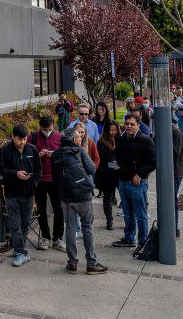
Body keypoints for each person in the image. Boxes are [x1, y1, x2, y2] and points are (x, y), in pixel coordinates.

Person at [54, 123, 108, 275]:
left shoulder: (56, 154)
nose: (80, 139)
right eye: (78, 137)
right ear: (75, 140)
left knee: (70, 229)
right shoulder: (79, 151)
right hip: (83, 196)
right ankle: (91, 263)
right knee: (87, 228)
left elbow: (56, 177)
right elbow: (91, 169)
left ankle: (72, 263)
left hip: (66, 198)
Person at [0, 125, 41, 267]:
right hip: (12, 194)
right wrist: (15, 174)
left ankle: (19, 249)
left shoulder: (32, 149)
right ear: (13, 137)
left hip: (28, 194)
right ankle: (21, 252)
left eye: (25, 139)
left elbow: (39, 169)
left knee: (25, 224)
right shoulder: (5, 151)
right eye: (19, 139)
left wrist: (34, 184)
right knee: (15, 225)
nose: (22, 142)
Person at [113, 114, 156, 248]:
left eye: (132, 124)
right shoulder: (120, 140)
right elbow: (116, 157)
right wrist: (115, 166)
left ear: (138, 124)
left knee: (141, 214)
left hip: (137, 183)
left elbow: (153, 161)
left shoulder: (145, 140)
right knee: (127, 213)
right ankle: (129, 238)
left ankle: (143, 242)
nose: (129, 126)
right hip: (123, 182)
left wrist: (140, 174)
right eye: (127, 124)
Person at [30, 116, 65, 252]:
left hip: (56, 179)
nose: (47, 132)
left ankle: (58, 238)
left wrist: (53, 154)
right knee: (41, 209)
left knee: (59, 209)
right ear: (40, 127)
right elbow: (26, 154)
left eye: (49, 129)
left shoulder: (60, 137)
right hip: (39, 179)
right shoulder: (33, 137)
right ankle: (45, 236)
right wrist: (38, 155)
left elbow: (65, 155)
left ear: (53, 126)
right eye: (44, 130)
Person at [95, 121, 121, 230]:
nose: (113, 132)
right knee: (107, 197)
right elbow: (104, 160)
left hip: (119, 173)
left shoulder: (121, 140)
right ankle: (109, 220)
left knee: (124, 195)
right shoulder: (101, 142)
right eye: (111, 130)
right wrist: (116, 165)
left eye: (115, 130)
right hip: (106, 174)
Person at [172, 122, 183, 239]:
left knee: (172, 201)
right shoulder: (164, 131)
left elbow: (175, 153)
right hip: (172, 172)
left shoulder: (175, 132)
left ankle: (174, 229)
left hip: (174, 173)